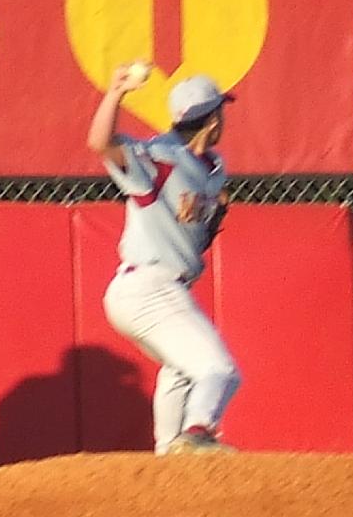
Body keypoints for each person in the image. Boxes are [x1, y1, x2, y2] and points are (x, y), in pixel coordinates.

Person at [89, 63, 241, 454]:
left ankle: (171, 457)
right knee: (219, 371)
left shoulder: (215, 168)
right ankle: (199, 433)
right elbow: (100, 143)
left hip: (160, 287)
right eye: (220, 112)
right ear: (212, 119)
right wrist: (115, 94)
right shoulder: (160, 156)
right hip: (147, 285)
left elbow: (196, 228)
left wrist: (212, 213)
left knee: (182, 369)